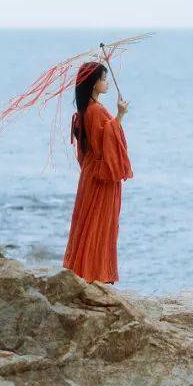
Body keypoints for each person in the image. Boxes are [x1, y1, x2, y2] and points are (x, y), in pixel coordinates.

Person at [61, 61, 133, 285]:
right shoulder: (94, 110)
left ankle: (86, 270)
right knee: (99, 222)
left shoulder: (86, 109)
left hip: (92, 173)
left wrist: (115, 119)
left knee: (89, 221)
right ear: (93, 84)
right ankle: (95, 273)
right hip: (102, 175)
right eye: (103, 78)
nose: (106, 82)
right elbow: (104, 143)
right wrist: (120, 116)